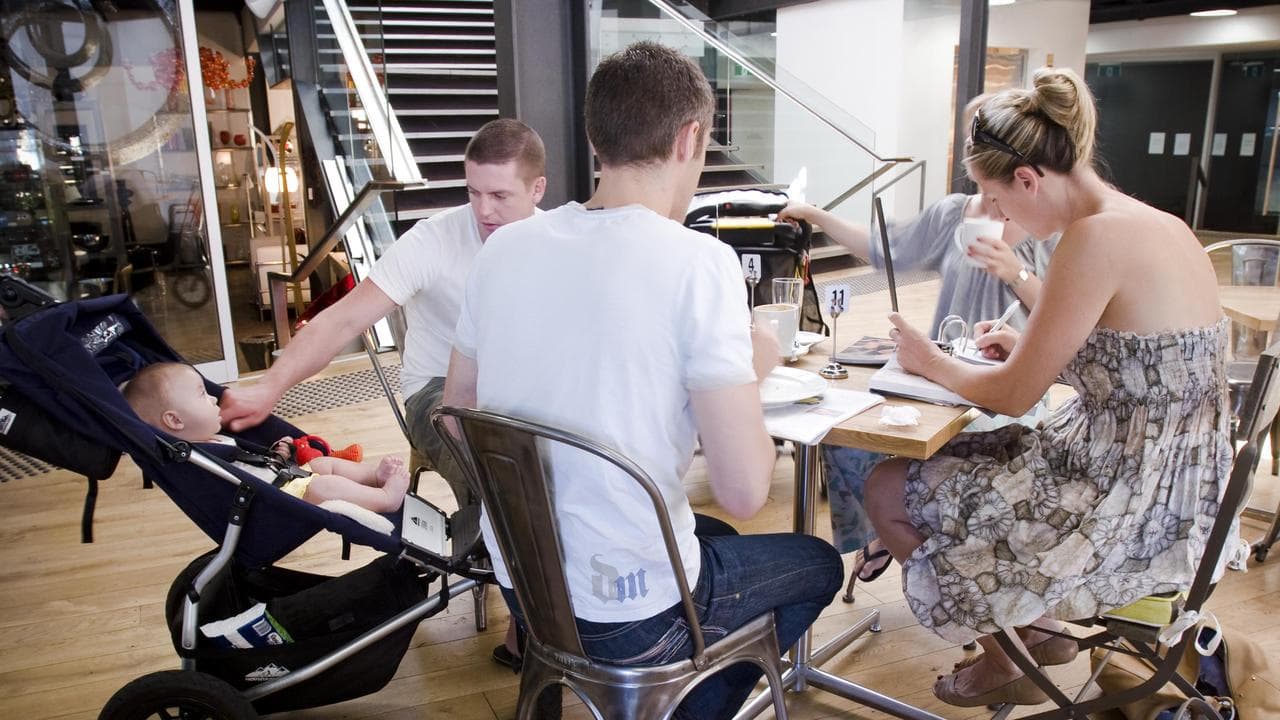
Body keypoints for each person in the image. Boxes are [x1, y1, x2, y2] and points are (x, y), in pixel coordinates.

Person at [442, 41, 842, 719]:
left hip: (526, 588)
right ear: (690, 138)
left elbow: (455, 416)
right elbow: (746, 490)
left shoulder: (503, 249)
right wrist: (754, 368)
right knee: (816, 563)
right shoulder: (698, 264)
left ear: (596, 138)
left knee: (714, 539)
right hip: (625, 612)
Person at [863, 67, 1231, 708]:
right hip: (1183, 490)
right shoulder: (1159, 223)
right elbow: (1148, 367)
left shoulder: (1092, 239)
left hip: (1125, 506)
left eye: (996, 200)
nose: (997, 215)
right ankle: (1036, 630)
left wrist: (927, 361)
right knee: (967, 460)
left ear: (1027, 179)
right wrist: (1048, 356)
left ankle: (1009, 653)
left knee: (888, 485)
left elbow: (1010, 396)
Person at [218, 118, 546, 668]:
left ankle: (561, 588)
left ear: (537, 190)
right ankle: (529, 624)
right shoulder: (433, 240)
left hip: (521, 393)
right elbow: (341, 320)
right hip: (437, 395)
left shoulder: (558, 237)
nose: (483, 211)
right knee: (500, 467)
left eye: (499, 195)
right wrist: (268, 387)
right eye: (472, 191)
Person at [779, 143, 1056, 594]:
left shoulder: (1051, 229)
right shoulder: (952, 214)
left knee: (939, 458)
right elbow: (884, 249)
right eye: (981, 186)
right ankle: (884, 531)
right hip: (938, 376)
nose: (988, 201)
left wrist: (1016, 273)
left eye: (994, 187)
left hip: (1007, 385)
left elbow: (1066, 320)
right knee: (842, 434)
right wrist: (815, 215)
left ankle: (926, 552)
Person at [126, 363, 409, 513]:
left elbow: (252, 465)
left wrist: (279, 453)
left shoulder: (214, 440)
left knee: (324, 464)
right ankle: (384, 498)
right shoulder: (196, 457)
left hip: (283, 479)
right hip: (277, 500)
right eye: (202, 394)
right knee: (326, 486)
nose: (213, 397)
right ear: (175, 420)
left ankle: (373, 475)